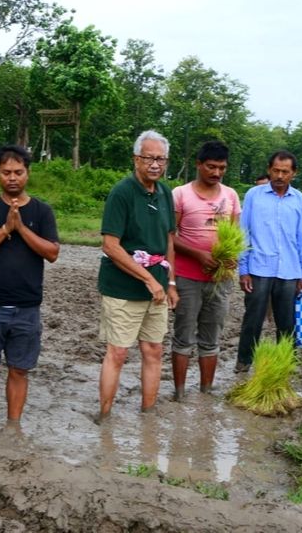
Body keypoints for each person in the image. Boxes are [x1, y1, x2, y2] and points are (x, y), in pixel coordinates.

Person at [0, 145, 59, 425]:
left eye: (18, 172)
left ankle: (13, 426)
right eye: (6, 172)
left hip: (27, 308)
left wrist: (21, 228)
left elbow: (52, 252)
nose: (12, 178)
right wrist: (5, 229)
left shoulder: (42, 211)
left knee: (19, 370)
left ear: (27, 174)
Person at [97, 131, 178, 418]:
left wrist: (169, 282)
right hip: (123, 288)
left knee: (154, 350)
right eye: (148, 158)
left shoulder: (166, 192)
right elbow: (110, 245)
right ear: (136, 159)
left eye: (160, 159)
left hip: (157, 286)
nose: (155, 164)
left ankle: (148, 414)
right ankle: (104, 415)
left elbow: (169, 240)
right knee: (118, 353)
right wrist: (148, 279)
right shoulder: (122, 192)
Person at [171, 141, 240, 400]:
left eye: (222, 168)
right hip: (188, 277)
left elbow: (235, 234)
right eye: (211, 167)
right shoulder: (180, 194)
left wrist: (231, 257)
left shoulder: (230, 196)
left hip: (220, 279)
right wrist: (198, 254)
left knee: (212, 338)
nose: (216, 173)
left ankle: (205, 392)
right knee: (184, 336)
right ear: (198, 165)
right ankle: (179, 393)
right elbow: (169, 235)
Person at [235, 150, 302, 372]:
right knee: (253, 319)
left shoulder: (299, 200)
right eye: (276, 170)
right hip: (258, 268)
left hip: (289, 270)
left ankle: (285, 363)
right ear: (269, 170)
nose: (279, 176)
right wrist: (243, 269)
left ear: (293, 174)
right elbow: (244, 233)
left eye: (285, 172)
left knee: (287, 322)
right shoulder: (253, 195)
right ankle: (244, 362)